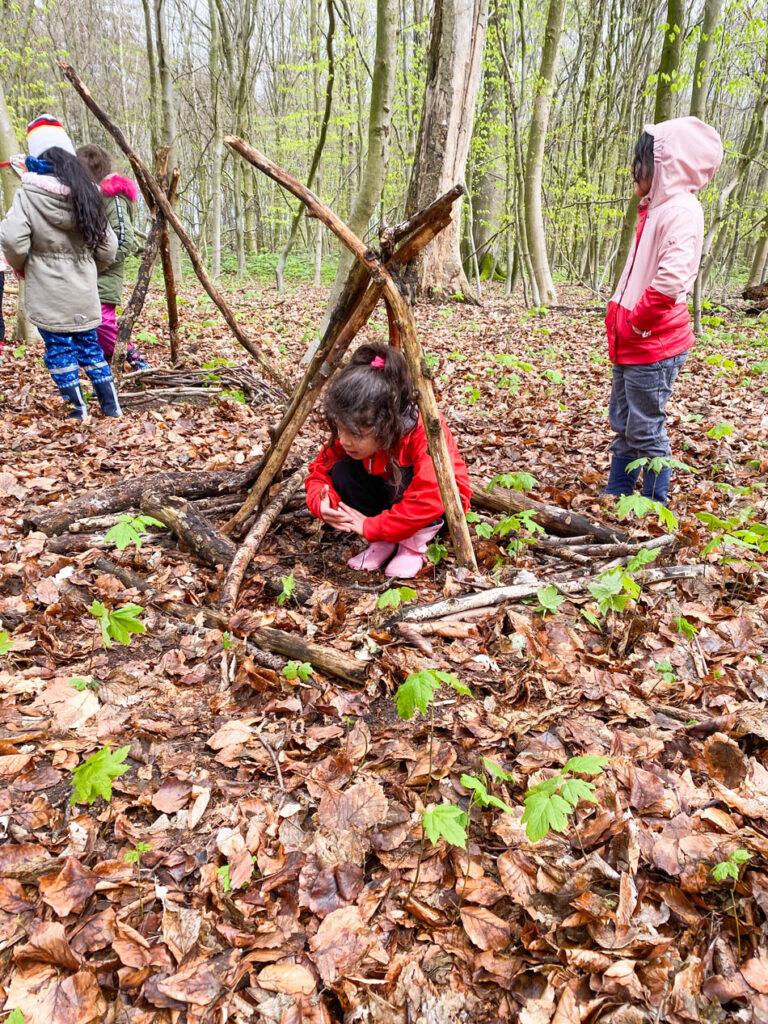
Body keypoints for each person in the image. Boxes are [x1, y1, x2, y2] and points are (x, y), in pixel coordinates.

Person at [604, 116, 723, 504]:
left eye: (641, 161)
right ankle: (619, 491)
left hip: (652, 343)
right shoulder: (655, 209)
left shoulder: (681, 211)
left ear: (663, 165)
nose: (633, 170)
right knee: (623, 423)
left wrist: (638, 322)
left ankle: (655, 502)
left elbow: (671, 281)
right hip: (631, 341)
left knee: (645, 428)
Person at [305, 342, 472, 578]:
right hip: (390, 507)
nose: (344, 440)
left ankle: (412, 545)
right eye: (340, 430)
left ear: (386, 425)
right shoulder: (355, 426)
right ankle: (384, 542)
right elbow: (320, 470)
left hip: (433, 510)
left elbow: (431, 495)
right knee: (343, 470)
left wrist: (373, 527)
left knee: (405, 477)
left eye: (355, 434)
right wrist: (321, 503)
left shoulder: (421, 431)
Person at [0, 114, 121, 419]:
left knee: (59, 349)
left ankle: (78, 409)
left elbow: (13, 241)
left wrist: (22, 267)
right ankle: (111, 406)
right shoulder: (88, 193)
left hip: (47, 289)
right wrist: (90, 267)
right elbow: (109, 246)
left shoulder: (29, 194)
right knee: (90, 347)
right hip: (83, 288)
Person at [76, 144, 149, 371]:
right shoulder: (94, 195)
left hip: (105, 270)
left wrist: (99, 264)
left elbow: (124, 239)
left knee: (102, 321)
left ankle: (134, 357)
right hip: (90, 269)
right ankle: (109, 366)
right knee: (88, 321)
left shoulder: (113, 195)